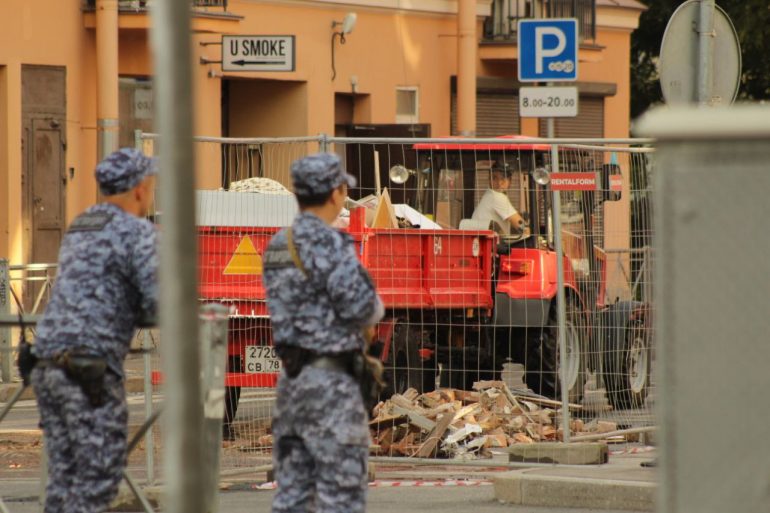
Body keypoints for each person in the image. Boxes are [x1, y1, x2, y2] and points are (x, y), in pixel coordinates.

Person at [30, 148, 159, 513]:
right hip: (89, 371)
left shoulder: (82, 223)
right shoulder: (138, 232)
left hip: (46, 365)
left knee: (63, 478)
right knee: (96, 482)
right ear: (139, 189)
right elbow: (157, 303)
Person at [263, 153, 384, 513]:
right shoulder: (330, 245)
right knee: (340, 496)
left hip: (292, 383)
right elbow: (365, 307)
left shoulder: (277, 245)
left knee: (293, 495)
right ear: (335, 193)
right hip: (331, 387)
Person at [471, 167, 527, 235]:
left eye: (503, 178)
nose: (499, 183)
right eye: (494, 178)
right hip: (485, 243)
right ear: (489, 180)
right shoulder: (496, 196)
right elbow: (521, 225)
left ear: (510, 181)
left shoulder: (489, 195)